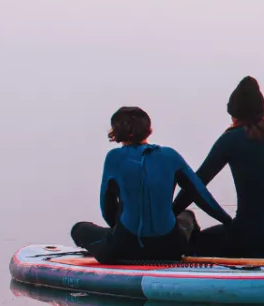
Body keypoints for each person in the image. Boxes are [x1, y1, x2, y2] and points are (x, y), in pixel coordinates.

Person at [71, 106, 234, 263]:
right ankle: (192, 251)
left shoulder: (114, 158)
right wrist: (228, 222)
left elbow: (107, 206)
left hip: (124, 248)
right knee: (187, 216)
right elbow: (200, 195)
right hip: (171, 249)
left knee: (79, 229)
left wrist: (118, 231)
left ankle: (118, 243)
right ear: (149, 129)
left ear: (115, 133)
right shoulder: (170, 155)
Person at [173, 76, 264, 258]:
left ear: (234, 113)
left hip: (247, 236)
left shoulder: (231, 139)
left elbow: (196, 184)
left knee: (198, 237)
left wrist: (172, 211)